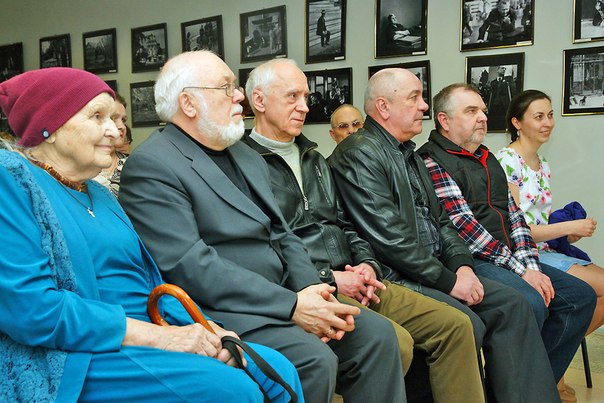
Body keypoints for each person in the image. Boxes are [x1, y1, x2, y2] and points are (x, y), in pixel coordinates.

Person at [0, 67, 303, 402]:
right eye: (97, 117)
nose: (115, 130)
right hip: (80, 351)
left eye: (113, 118)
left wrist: (207, 329)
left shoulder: (99, 193)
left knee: (277, 370)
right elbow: (31, 309)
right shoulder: (12, 182)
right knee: (233, 390)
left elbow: (150, 285)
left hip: (150, 330)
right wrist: (160, 338)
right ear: (49, 127)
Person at [119, 51, 406, 403]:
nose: (239, 96)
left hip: (284, 293)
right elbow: (190, 265)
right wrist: (291, 305)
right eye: (226, 88)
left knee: (376, 336)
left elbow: (282, 233)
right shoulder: (152, 164)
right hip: (224, 310)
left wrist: (311, 291)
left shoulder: (245, 154)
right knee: (314, 360)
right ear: (188, 103)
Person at [242, 58, 484, 403]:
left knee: (457, 326)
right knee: (394, 342)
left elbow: (346, 224)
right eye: (293, 96)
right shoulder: (243, 164)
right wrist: (329, 278)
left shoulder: (314, 159)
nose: (305, 107)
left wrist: (366, 264)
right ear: (259, 101)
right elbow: (264, 245)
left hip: (359, 277)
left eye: (306, 97)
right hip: (311, 285)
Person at [328, 68, 561, 402]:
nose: (424, 106)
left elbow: (443, 222)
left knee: (514, 305)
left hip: (434, 267)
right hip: (398, 275)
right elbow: (390, 239)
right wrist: (450, 281)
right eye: (414, 98)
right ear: (383, 107)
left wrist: (462, 266)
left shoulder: (408, 153)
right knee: (466, 323)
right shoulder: (359, 152)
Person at [417, 83, 596, 401]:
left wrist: (530, 265)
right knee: (529, 300)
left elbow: (516, 219)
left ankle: (522, 387)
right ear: (444, 120)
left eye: (483, 111)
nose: (483, 117)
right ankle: (518, 390)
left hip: (507, 257)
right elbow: (465, 230)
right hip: (469, 260)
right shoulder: (432, 161)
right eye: (471, 111)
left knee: (579, 297)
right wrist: (522, 271)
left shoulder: (486, 157)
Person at [495, 89, 604, 400]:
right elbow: (516, 229)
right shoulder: (506, 162)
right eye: (539, 116)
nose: (548, 123)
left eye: (551, 115)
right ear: (517, 123)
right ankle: (548, 368)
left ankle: (547, 360)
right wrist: (568, 226)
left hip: (546, 250)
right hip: (523, 255)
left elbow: (540, 222)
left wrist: (567, 235)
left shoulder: (542, 163)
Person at [93, 93, 129, 197]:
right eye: (113, 118)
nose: (122, 126)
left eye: (123, 120)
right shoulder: (81, 166)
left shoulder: (132, 164)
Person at [487, 66, 515, 130]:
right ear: (497, 69)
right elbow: (491, 95)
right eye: (502, 68)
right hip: (494, 106)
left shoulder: (507, 82)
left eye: (505, 69)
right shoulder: (493, 82)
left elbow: (511, 93)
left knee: (503, 123)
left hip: (503, 106)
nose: (504, 70)